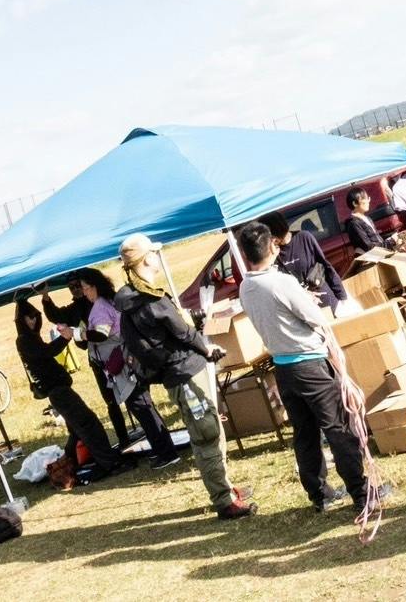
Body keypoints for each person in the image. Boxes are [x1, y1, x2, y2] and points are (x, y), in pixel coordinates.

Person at [235, 222, 383, 515]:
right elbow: (314, 317)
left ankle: (320, 494)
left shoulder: (246, 287)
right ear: (272, 247)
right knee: (338, 428)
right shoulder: (280, 282)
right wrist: (307, 301)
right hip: (309, 363)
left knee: (305, 434)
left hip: (284, 367)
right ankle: (362, 492)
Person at [117, 233, 256, 520]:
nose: (158, 256)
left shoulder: (129, 303)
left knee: (208, 430)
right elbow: (183, 332)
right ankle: (224, 500)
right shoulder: (150, 300)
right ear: (146, 259)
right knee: (206, 435)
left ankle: (225, 488)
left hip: (177, 375)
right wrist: (206, 348)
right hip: (185, 374)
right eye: (154, 253)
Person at [71, 267, 181, 469]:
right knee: (145, 406)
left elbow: (102, 334)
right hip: (132, 358)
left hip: (123, 365)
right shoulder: (112, 301)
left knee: (142, 407)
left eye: (86, 288)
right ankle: (164, 449)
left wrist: (77, 334)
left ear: (94, 286)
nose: (84, 292)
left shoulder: (100, 307)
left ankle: (167, 452)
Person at [14, 299, 124, 477]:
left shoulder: (31, 338)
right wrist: (66, 338)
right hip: (58, 391)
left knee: (76, 430)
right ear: (22, 320)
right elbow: (47, 352)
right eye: (29, 317)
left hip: (59, 390)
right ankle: (109, 462)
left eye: (35, 316)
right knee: (89, 424)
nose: (33, 320)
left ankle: (67, 464)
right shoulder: (24, 341)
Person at [42, 277, 131, 449]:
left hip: (117, 352)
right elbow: (56, 316)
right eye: (71, 287)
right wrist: (45, 296)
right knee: (111, 401)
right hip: (98, 361)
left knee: (133, 395)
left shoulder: (101, 301)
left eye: (78, 285)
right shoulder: (76, 308)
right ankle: (124, 439)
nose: (75, 289)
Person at [261, 211, 348, 314]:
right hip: (304, 309)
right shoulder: (273, 252)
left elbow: (325, 265)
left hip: (326, 299)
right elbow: (277, 287)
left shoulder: (304, 237)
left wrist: (342, 296)